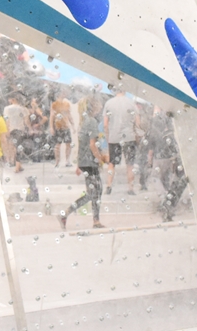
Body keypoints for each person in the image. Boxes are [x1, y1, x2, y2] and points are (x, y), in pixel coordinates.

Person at [61, 95, 108, 229]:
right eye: (98, 103)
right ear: (93, 106)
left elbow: (81, 143)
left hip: (85, 162)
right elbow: (92, 144)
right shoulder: (91, 121)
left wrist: (78, 164)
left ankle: (93, 220)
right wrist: (100, 160)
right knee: (95, 192)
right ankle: (70, 214)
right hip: (90, 162)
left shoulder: (84, 121)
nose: (100, 105)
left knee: (93, 192)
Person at [102, 87, 137, 195]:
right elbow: (137, 122)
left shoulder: (109, 103)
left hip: (114, 136)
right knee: (130, 164)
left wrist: (108, 137)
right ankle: (131, 188)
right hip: (129, 137)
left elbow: (105, 124)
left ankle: (109, 186)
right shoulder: (131, 103)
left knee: (112, 163)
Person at [2, 94, 28, 172]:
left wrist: (6, 130)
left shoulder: (6, 108)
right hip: (20, 129)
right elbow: (26, 120)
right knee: (19, 147)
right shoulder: (23, 109)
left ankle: (13, 162)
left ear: (13, 99)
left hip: (11, 129)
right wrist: (28, 128)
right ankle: (17, 165)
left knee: (11, 146)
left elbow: (7, 120)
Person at [49, 89, 73, 167]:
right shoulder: (54, 104)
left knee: (68, 144)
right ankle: (57, 161)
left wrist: (72, 124)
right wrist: (51, 127)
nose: (64, 94)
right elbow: (52, 116)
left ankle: (67, 160)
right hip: (58, 126)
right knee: (57, 145)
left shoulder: (67, 104)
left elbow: (69, 115)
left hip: (66, 126)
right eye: (63, 92)